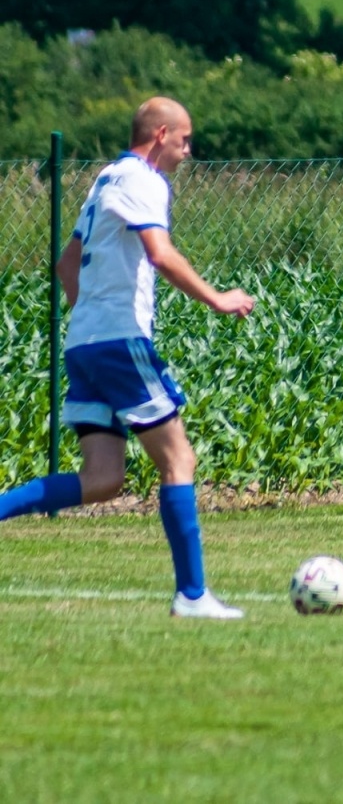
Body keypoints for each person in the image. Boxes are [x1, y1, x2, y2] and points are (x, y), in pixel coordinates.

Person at [0, 97, 256, 618]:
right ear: (160, 135)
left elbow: (66, 264)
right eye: (185, 140)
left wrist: (92, 317)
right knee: (178, 459)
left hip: (85, 345)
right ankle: (191, 596)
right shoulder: (144, 180)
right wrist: (217, 298)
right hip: (118, 342)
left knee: (102, 481)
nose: (189, 151)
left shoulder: (105, 179)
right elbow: (160, 255)